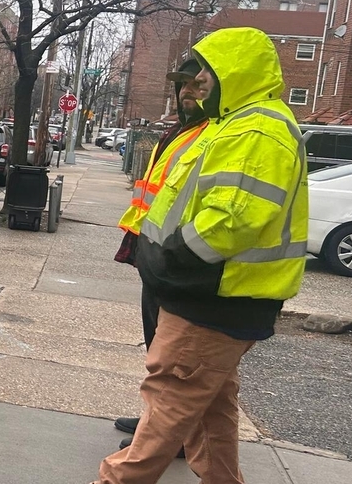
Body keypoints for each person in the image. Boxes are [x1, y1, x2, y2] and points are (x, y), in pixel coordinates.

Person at [93, 26, 308, 484]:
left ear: (234, 72)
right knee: (210, 408)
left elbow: (232, 220)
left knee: (168, 400)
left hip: (212, 294)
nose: (197, 82)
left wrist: (166, 259)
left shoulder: (256, 129)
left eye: (206, 72)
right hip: (213, 293)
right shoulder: (233, 124)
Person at [110, 59, 210, 451]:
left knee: (175, 356)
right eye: (182, 85)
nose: (187, 91)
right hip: (154, 251)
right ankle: (158, 420)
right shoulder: (181, 131)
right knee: (158, 347)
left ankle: (169, 437)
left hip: (177, 257)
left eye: (197, 84)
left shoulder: (209, 134)